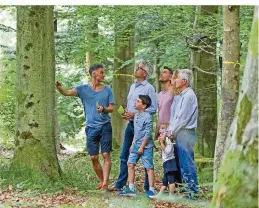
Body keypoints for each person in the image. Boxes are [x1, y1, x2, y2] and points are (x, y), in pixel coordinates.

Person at [56, 64, 114, 190]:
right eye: (101, 72)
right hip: (91, 128)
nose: (104, 74)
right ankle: (101, 181)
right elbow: (66, 93)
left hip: (105, 126)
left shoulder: (108, 90)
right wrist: (60, 88)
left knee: (106, 155)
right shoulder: (83, 89)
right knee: (93, 157)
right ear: (94, 74)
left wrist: (104, 109)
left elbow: (112, 108)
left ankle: (105, 183)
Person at [108, 59, 157, 193]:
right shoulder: (132, 86)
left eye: (139, 68)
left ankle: (149, 188)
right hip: (130, 125)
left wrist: (135, 114)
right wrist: (126, 113)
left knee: (146, 156)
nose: (136, 70)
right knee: (125, 154)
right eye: (136, 67)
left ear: (145, 73)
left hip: (141, 126)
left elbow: (153, 109)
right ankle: (121, 184)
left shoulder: (149, 88)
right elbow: (132, 105)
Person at [167, 69, 199, 199]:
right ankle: (187, 191)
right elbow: (175, 116)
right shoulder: (181, 95)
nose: (175, 80)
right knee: (182, 164)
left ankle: (191, 192)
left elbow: (182, 118)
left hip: (186, 133)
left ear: (184, 81)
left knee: (187, 163)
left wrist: (172, 131)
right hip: (180, 133)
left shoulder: (189, 96)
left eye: (177, 78)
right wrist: (170, 131)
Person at [119, 95, 155, 197]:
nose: (135, 102)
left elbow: (147, 134)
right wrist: (133, 144)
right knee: (130, 164)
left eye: (138, 101)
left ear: (143, 105)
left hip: (146, 146)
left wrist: (142, 147)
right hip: (136, 145)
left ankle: (151, 190)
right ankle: (131, 188)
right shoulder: (136, 115)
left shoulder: (148, 117)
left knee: (148, 167)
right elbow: (136, 132)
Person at [153, 123, 178, 197]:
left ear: (167, 131)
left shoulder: (168, 140)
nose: (160, 131)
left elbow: (167, 151)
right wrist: (159, 143)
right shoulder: (164, 140)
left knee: (171, 180)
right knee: (164, 181)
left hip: (170, 162)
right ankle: (159, 195)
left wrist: (161, 142)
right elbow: (161, 149)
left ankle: (171, 196)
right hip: (166, 163)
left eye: (162, 128)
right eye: (160, 129)